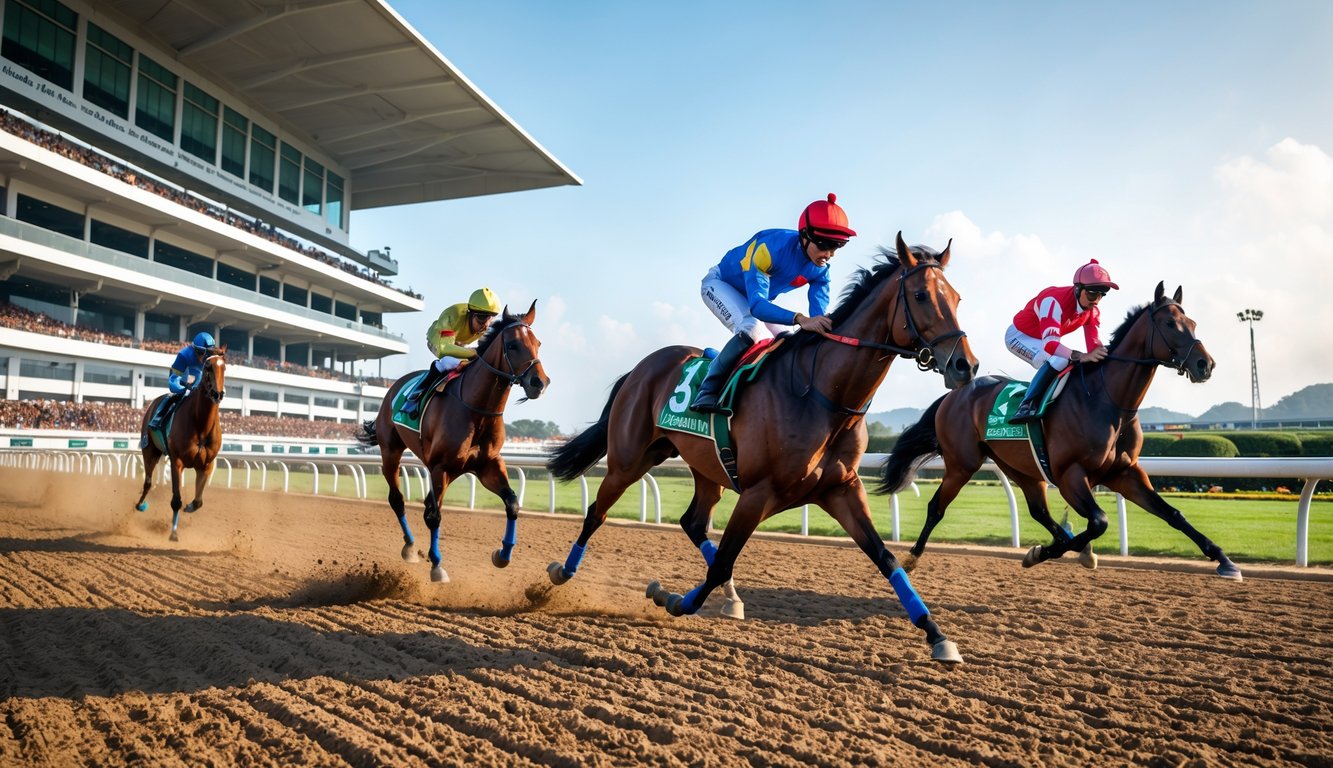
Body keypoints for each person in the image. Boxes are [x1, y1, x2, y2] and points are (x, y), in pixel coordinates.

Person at [688, 193, 856, 414]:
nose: (829, 254)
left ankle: (726, 365)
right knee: (751, 328)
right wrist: (800, 319)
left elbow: (817, 320)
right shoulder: (770, 249)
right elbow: (758, 307)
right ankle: (707, 390)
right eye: (825, 244)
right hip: (719, 284)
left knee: (786, 339)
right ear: (804, 235)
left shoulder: (821, 269)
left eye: (837, 246)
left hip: (750, 299)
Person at [1006, 259, 1119, 424]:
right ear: (1078, 289)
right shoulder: (1053, 301)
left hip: (1043, 340)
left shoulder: (1092, 312)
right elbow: (1051, 345)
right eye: (1092, 293)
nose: (1096, 300)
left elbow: (1094, 347)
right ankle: (1027, 404)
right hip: (1019, 336)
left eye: (1102, 295)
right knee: (1060, 359)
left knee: (1074, 361)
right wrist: (1081, 356)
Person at [402, 287, 502, 416]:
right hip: (439, 340)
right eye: (482, 318)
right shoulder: (453, 315)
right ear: (470, 313)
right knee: (448, 361)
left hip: (460, 342)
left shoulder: (487, 324)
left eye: (491, 318)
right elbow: (445, 349)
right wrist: (474, 353)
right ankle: (414, 398)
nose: (486, 325)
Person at [145, 331, 216, 440]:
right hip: (181, 379)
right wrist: (183, 388)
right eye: (203, 353)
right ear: (196, 350)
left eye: (209, 353)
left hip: (197, 381)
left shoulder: (209, 359)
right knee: (173, 396)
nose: (206, 357)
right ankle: (156, 420)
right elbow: (173, 381)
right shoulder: (183, 356)